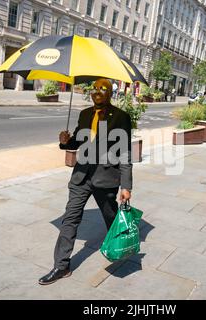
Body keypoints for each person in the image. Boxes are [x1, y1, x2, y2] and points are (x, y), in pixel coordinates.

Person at [38, 78, 133, 286]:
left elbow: (125, 152)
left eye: (103, 89)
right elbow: (78, 141)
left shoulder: (121, 117)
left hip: (106, 178)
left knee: (111, 217)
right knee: (70, 217)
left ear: (110, 93)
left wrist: (126, 185)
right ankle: (61, 266)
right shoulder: (85, 114)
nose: (97, 92)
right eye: (95, 89)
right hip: (81, 176)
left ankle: (119, 247)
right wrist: (65, 142)